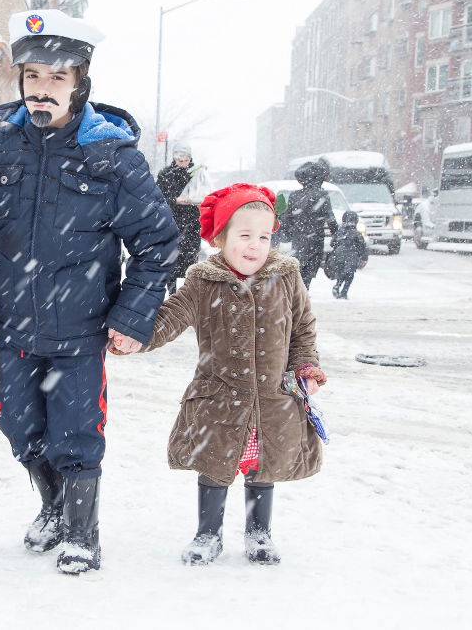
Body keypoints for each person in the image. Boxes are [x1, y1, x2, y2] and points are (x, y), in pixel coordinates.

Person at [0, 9, 179, 574]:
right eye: (33, 77)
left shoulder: (112, 155)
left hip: (82, 328)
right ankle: (51, 505)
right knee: (19, 425)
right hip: (16, 328)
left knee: (75, 433)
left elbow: (157, 245)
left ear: (80, 82)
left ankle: (82, 532)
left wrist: (132, 318)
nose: (42, 90)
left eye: (56, 77)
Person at [133, 183, 327, 566]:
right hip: (220, 397)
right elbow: (169, 318)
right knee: (216, 465)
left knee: (261, 466)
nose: (255, 245)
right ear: (220, 238)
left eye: (264, 236)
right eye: (244, 235)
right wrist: (134, 336)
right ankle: (208, 534)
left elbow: (303, 329)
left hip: (272, 398)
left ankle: (259, 532)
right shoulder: (203, 282)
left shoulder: (286, 277)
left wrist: (306, 366)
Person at [280, 160, 338, 287]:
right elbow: (330, 218)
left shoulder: (294, 195)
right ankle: (303, 293)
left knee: (298, 267)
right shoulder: (322, 195)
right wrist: (336, 234)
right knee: (309, 270)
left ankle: (298, 293)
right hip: (316, 239)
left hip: (298, 239)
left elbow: (286, 218)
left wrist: (287, 233)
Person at [156, 144, 202, 294]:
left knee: (190, 262)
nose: (183, 162)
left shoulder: (197, 174)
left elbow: (205, 194)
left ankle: (188, 296)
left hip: (192, 224)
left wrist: (195, 200)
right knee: (173, 263)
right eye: (180, 159)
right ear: (175, 158)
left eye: (186, 159)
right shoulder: (166, 174)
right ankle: (173, 295)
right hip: (173, 224)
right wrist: (174, 200)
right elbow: (159, 198)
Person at [329, 210, 369, 299]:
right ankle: (344, 292)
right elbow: (363, 246)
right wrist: (364, 257)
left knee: (341, 272)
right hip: (352, 256)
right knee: (349, 275)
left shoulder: (339, 232)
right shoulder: (356, 233)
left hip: (339, 255)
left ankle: (337, 285)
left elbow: (332, 243)